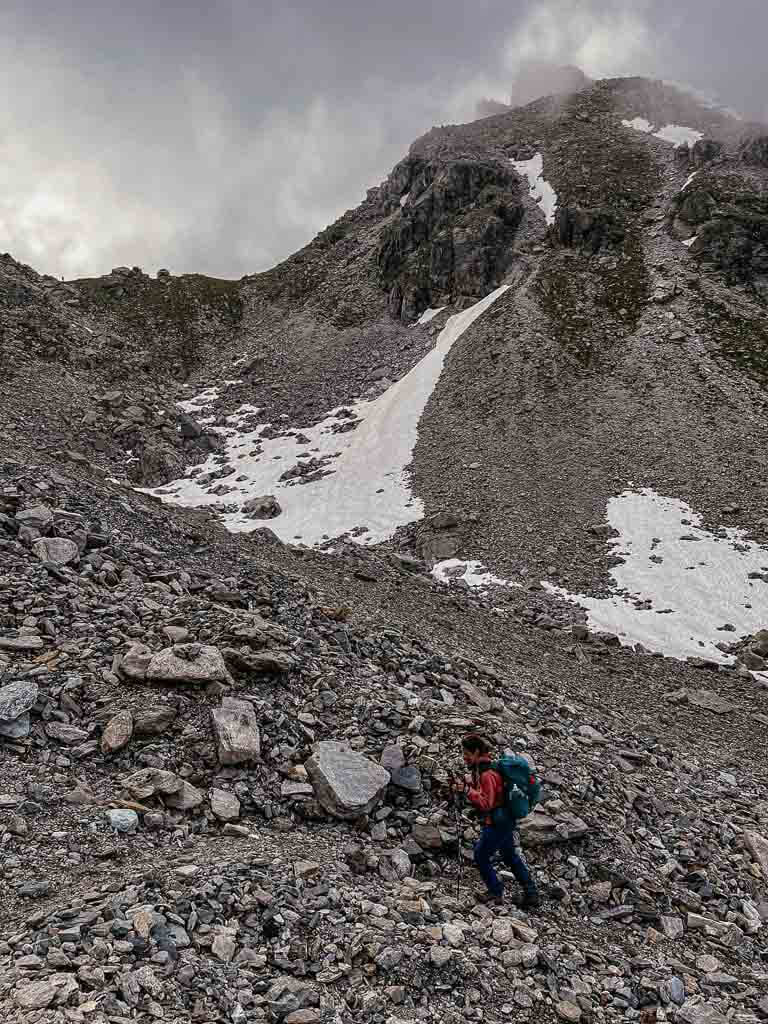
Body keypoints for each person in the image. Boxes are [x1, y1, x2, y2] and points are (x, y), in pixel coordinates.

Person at [453, 733, 540, 909]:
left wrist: (467, 791)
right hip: (505, 820)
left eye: (466, 753)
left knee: (481, 855)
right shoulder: (487, 768)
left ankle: (495, 891)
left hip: (497, 822)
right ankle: (531, 893)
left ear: (476, 752)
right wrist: (467, 784)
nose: (464, 757)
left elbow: (486, 803)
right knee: (510, 856)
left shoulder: (487, 774)